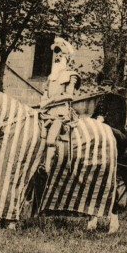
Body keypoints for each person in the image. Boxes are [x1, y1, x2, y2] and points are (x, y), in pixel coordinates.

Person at [39, 37, 80, 173]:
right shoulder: (51, 77)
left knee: (51, 140)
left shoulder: (71, 75)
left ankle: (46, 168)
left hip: (60, 112)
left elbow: (69, 96)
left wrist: (50, 101)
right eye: (56, 54)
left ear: (67, 57)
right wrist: (43, 101)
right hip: (46, 112)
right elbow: (45, 92)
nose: (57, 57)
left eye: (61, 54)